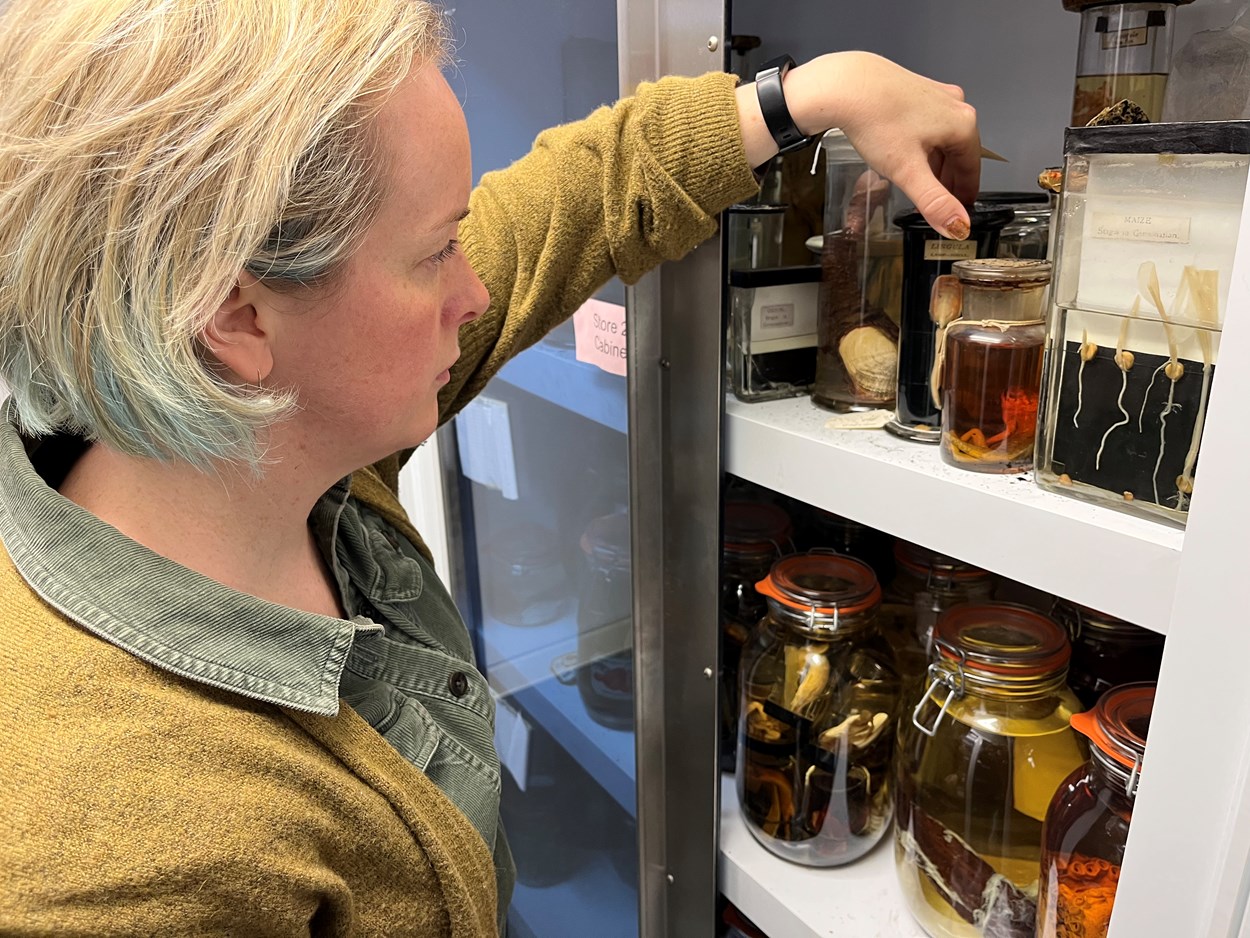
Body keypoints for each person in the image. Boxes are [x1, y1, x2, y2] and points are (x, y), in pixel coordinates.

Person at [0, 1, 980, 935]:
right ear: (234, 314)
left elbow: (565, 205)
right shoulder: (110, 862)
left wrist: (802, 95)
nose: (473, 291)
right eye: (433, 254)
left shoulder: (250, 436)